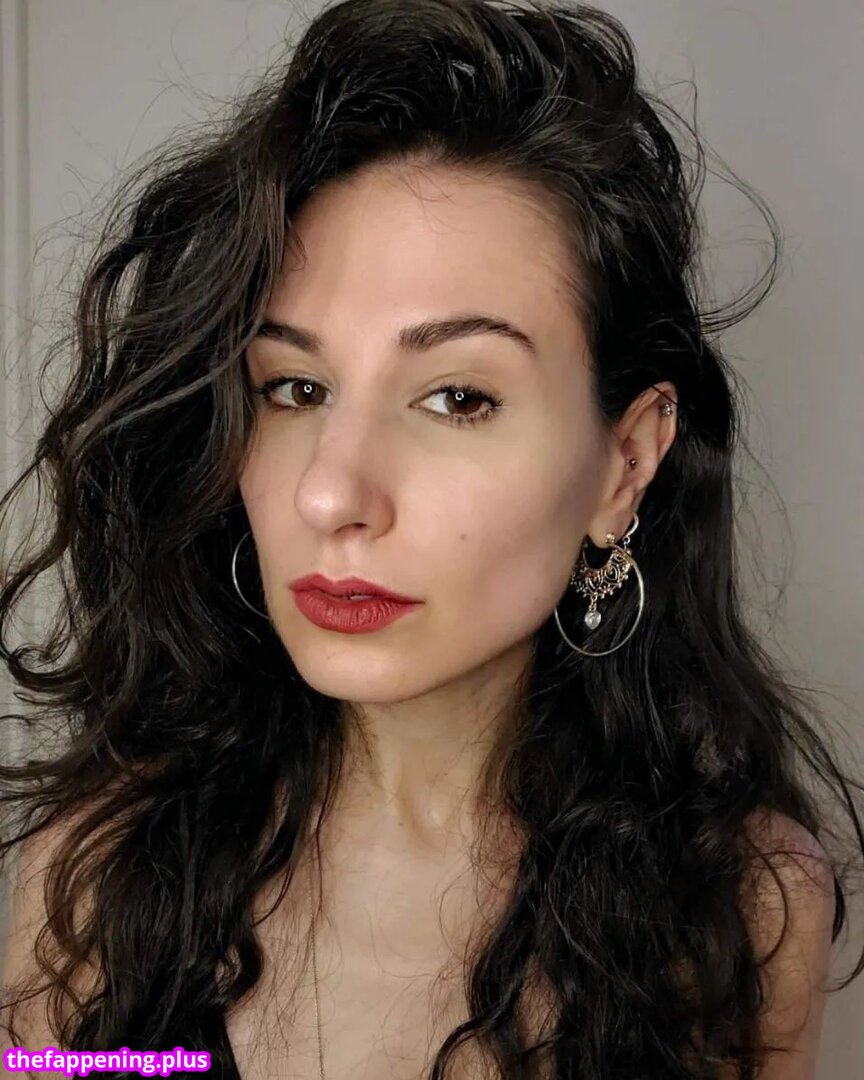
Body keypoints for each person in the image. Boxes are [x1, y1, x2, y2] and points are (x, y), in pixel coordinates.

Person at [1, 1, 861, 1077]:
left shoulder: (739, 911)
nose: (330, 492)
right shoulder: (96, 878)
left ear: (625, 463)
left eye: (458, 397)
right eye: (295, 387)